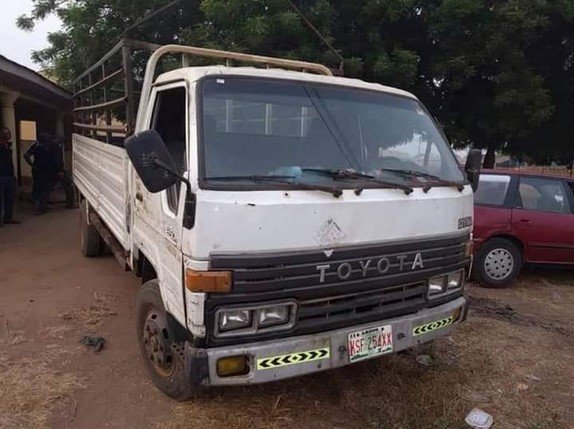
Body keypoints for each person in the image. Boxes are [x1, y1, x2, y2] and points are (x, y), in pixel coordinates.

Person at [24, 133, 74, 213]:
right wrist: (60, 170)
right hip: (53, 170)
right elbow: (58, 160)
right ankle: (69, 204)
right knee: (66, 185)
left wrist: (32, 165)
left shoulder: (37, 146)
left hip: (39, 170)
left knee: (43, 188)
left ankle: (40, 207)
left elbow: (26, 156)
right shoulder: (54, 146)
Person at [0, 127, 21, 226]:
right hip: (1, 175)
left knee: (9, 198)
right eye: (6, 133)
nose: (9, 135)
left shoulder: (7, 146)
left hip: (9, 175)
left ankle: (8, 217)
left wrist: (13, 175)